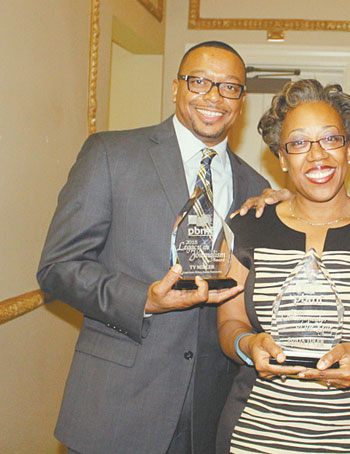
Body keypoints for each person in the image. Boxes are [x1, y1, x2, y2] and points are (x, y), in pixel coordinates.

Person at [37, 41, 269, 454]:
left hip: (211, 414)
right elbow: (58, 267)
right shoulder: (110, 154)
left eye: (229, 87)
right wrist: (143, 299)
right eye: (199, 82)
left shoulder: (256, 186)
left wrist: (295, 215)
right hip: (117, 406)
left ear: (242, 100)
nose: (213, 96)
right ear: (176, 87)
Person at [215, 79, 350, 454]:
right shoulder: (246, 230)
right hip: (253, 436)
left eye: (331, 139)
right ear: (281, 157)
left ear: (349, 149)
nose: (317, 156)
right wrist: (249, 344)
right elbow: (230, 325)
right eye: (298, 143)